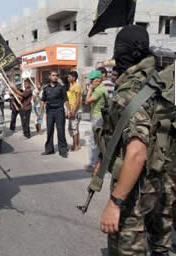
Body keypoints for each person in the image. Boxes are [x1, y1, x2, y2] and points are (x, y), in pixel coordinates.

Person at [95, 25, 173, 256]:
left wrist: (115, 203)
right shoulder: (164, 83)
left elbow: (137, 152)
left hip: (136, 190)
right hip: (164, 184)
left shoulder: (129, 92)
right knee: (160, 247)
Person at [38, 70, 71, 158]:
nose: (55, 77)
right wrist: (40, 112)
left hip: (59, 111)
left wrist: (69, 110)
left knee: (61, 131)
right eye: (53, 75)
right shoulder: (45, 88)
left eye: (56, 75)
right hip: (50, 112)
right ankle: (49, 149)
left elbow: (66, 99)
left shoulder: (61, 87)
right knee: (49, 131)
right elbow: (43, 101)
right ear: (49, 77)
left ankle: (63, 150)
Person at [85, 70, 108, 172]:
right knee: (98, 141)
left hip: (98, 118)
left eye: (92, 81)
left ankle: (92, 165)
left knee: (94, 142)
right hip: (99, 117)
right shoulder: (101, 88)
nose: (90, 83)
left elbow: (87, 101)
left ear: (98, 80)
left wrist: (90, 89)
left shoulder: (99, 90)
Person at [67, 71, 82, 152]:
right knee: (73, 128)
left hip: (76, 111)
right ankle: (76, 144)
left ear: (74, 78)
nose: (68, 78)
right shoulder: (71, 86)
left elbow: (78, 101)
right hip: (72, 110)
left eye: (69, 77)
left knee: (74, 128)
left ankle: (75, 145)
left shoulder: (77, 86)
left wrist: (73, 112)